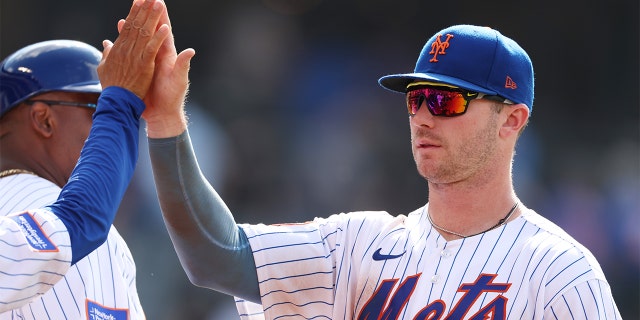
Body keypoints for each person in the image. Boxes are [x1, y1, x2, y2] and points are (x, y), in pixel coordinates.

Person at [145, 24, 622, 319]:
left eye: (446, 99)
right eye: (416, 98)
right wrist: (166, 121)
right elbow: (213, 256)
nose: (423, 116)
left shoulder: (560, 272)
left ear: (512, 120)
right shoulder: (359, 244)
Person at [0, 0, 194, 318]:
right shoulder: (70, 219)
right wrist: (121, 102)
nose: (104, 123)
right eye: (96, 109)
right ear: (44, 120)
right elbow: (79, 220)